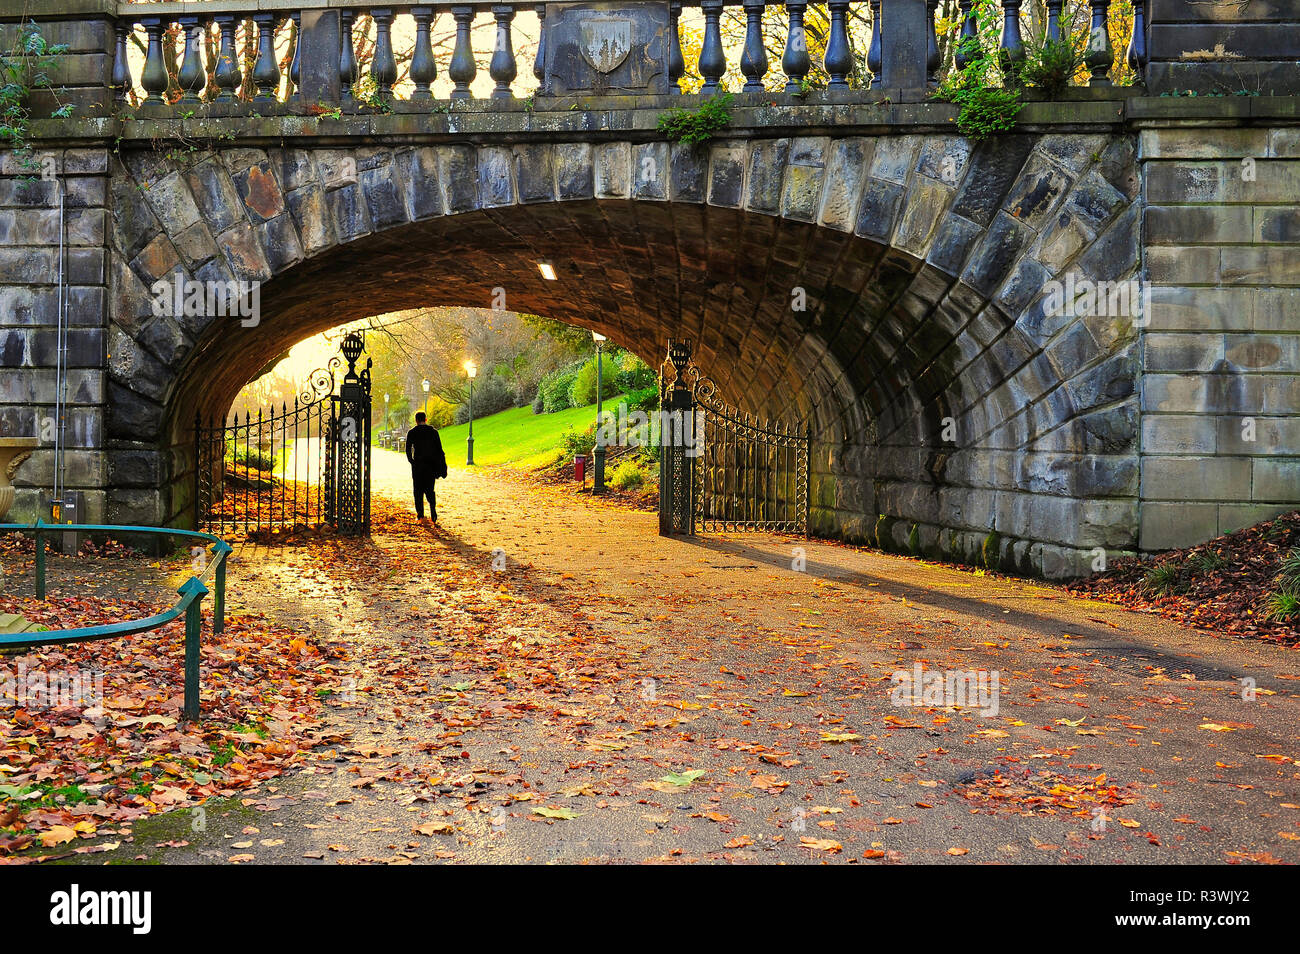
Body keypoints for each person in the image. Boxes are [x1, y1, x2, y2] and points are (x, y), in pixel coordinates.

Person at [405, 411, 447, 522]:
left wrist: (412, 462)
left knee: (418, 490)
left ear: (416, 420)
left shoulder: (412, 432)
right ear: (426, 419)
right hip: (430, 465)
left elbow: (408, 450)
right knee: (430, 489)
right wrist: (441, 466)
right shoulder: (433, 432)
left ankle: (420, 514)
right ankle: (433, 510)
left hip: (418, 465)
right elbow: (439, 449)